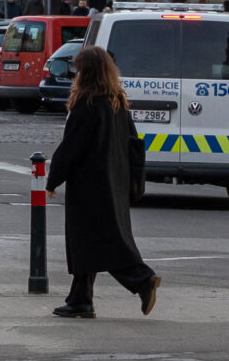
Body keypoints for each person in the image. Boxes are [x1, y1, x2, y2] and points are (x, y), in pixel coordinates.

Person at [47, 45, 160, 319]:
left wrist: (52, 180)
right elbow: (133, 144)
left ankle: (142, 279)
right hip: (114, 180)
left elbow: (71, 148)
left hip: (89, 185)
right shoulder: (116, 102)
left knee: (102, 241)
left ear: (86, 73)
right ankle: (80, 299)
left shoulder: (87, 104)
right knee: (90, 241)